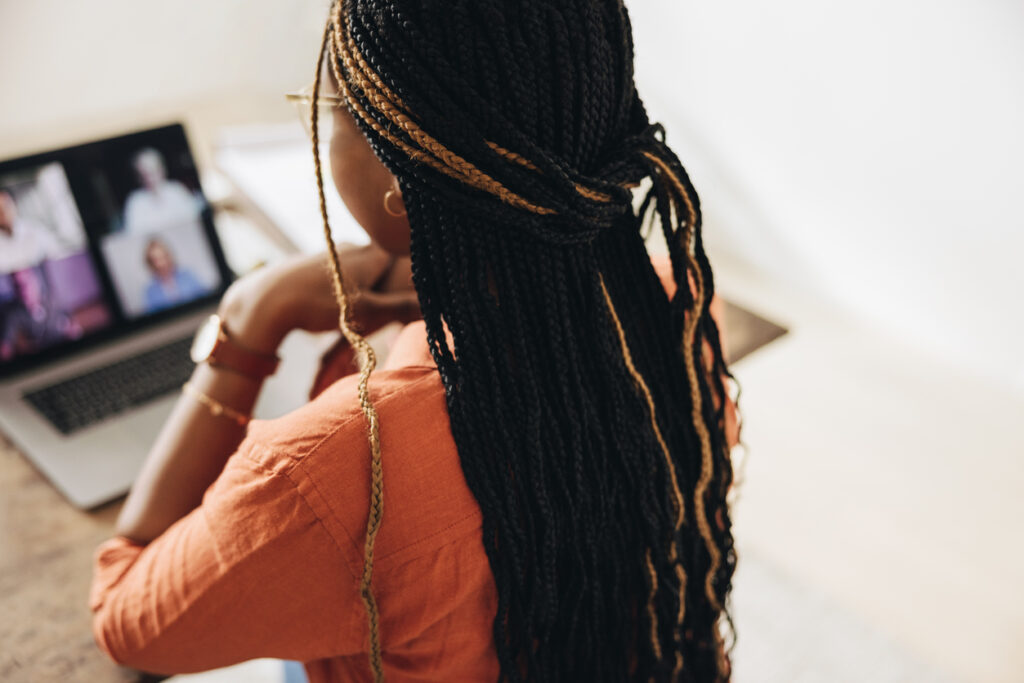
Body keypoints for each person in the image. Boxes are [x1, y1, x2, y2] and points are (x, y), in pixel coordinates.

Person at [90, 2, 741, 681]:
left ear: (398, 179)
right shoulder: (681, 305)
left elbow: (124, 616)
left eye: (332, 108)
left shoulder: (337, 471)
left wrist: (249, 322)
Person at [0, 267, 81, 360]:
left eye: (25, 284)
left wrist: (73, 333)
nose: (22, 291)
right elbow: (5, 348)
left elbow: (73, 323)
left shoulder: (52, 300)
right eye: (17, 286)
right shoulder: (13, 314)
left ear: (34, 281)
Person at [122, 148, 203, 235]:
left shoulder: (176, 190)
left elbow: (194, 221)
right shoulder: (135, 202)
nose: (148, 179)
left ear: (161, 170)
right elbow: (133, 234)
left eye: (151, 173)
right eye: (143, 175)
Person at [0, 189, 61, 273]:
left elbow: (57, 260)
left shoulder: (37, 232)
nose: (4, 213)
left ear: (15, 204)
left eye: (6, 206)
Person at [141, 238, 208, 312]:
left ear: (169, 256)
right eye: (156, 260)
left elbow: (204, 299)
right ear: (151, 264)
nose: (162, 263)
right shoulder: (150, 291)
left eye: (163, 257)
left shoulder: (188, 275)